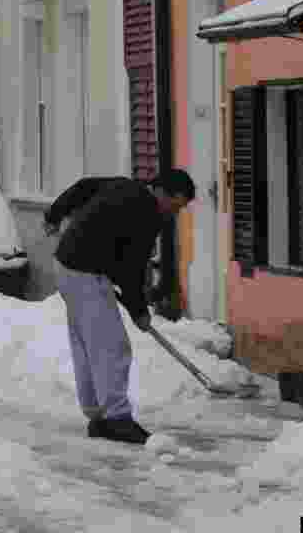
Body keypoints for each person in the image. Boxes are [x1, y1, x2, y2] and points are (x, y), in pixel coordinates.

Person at [45, 169, 195, 445]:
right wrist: (138, 310)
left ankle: (99, 415)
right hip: (85, 271)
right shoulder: (146, 214)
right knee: (111, 346)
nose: (175, 212)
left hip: (68, 265)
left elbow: (82, 186)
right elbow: (132, 268)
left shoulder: (124, 186)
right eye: (176, 204)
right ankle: (116, 419)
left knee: (88, 344)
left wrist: (54, 215)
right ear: (161, 192)